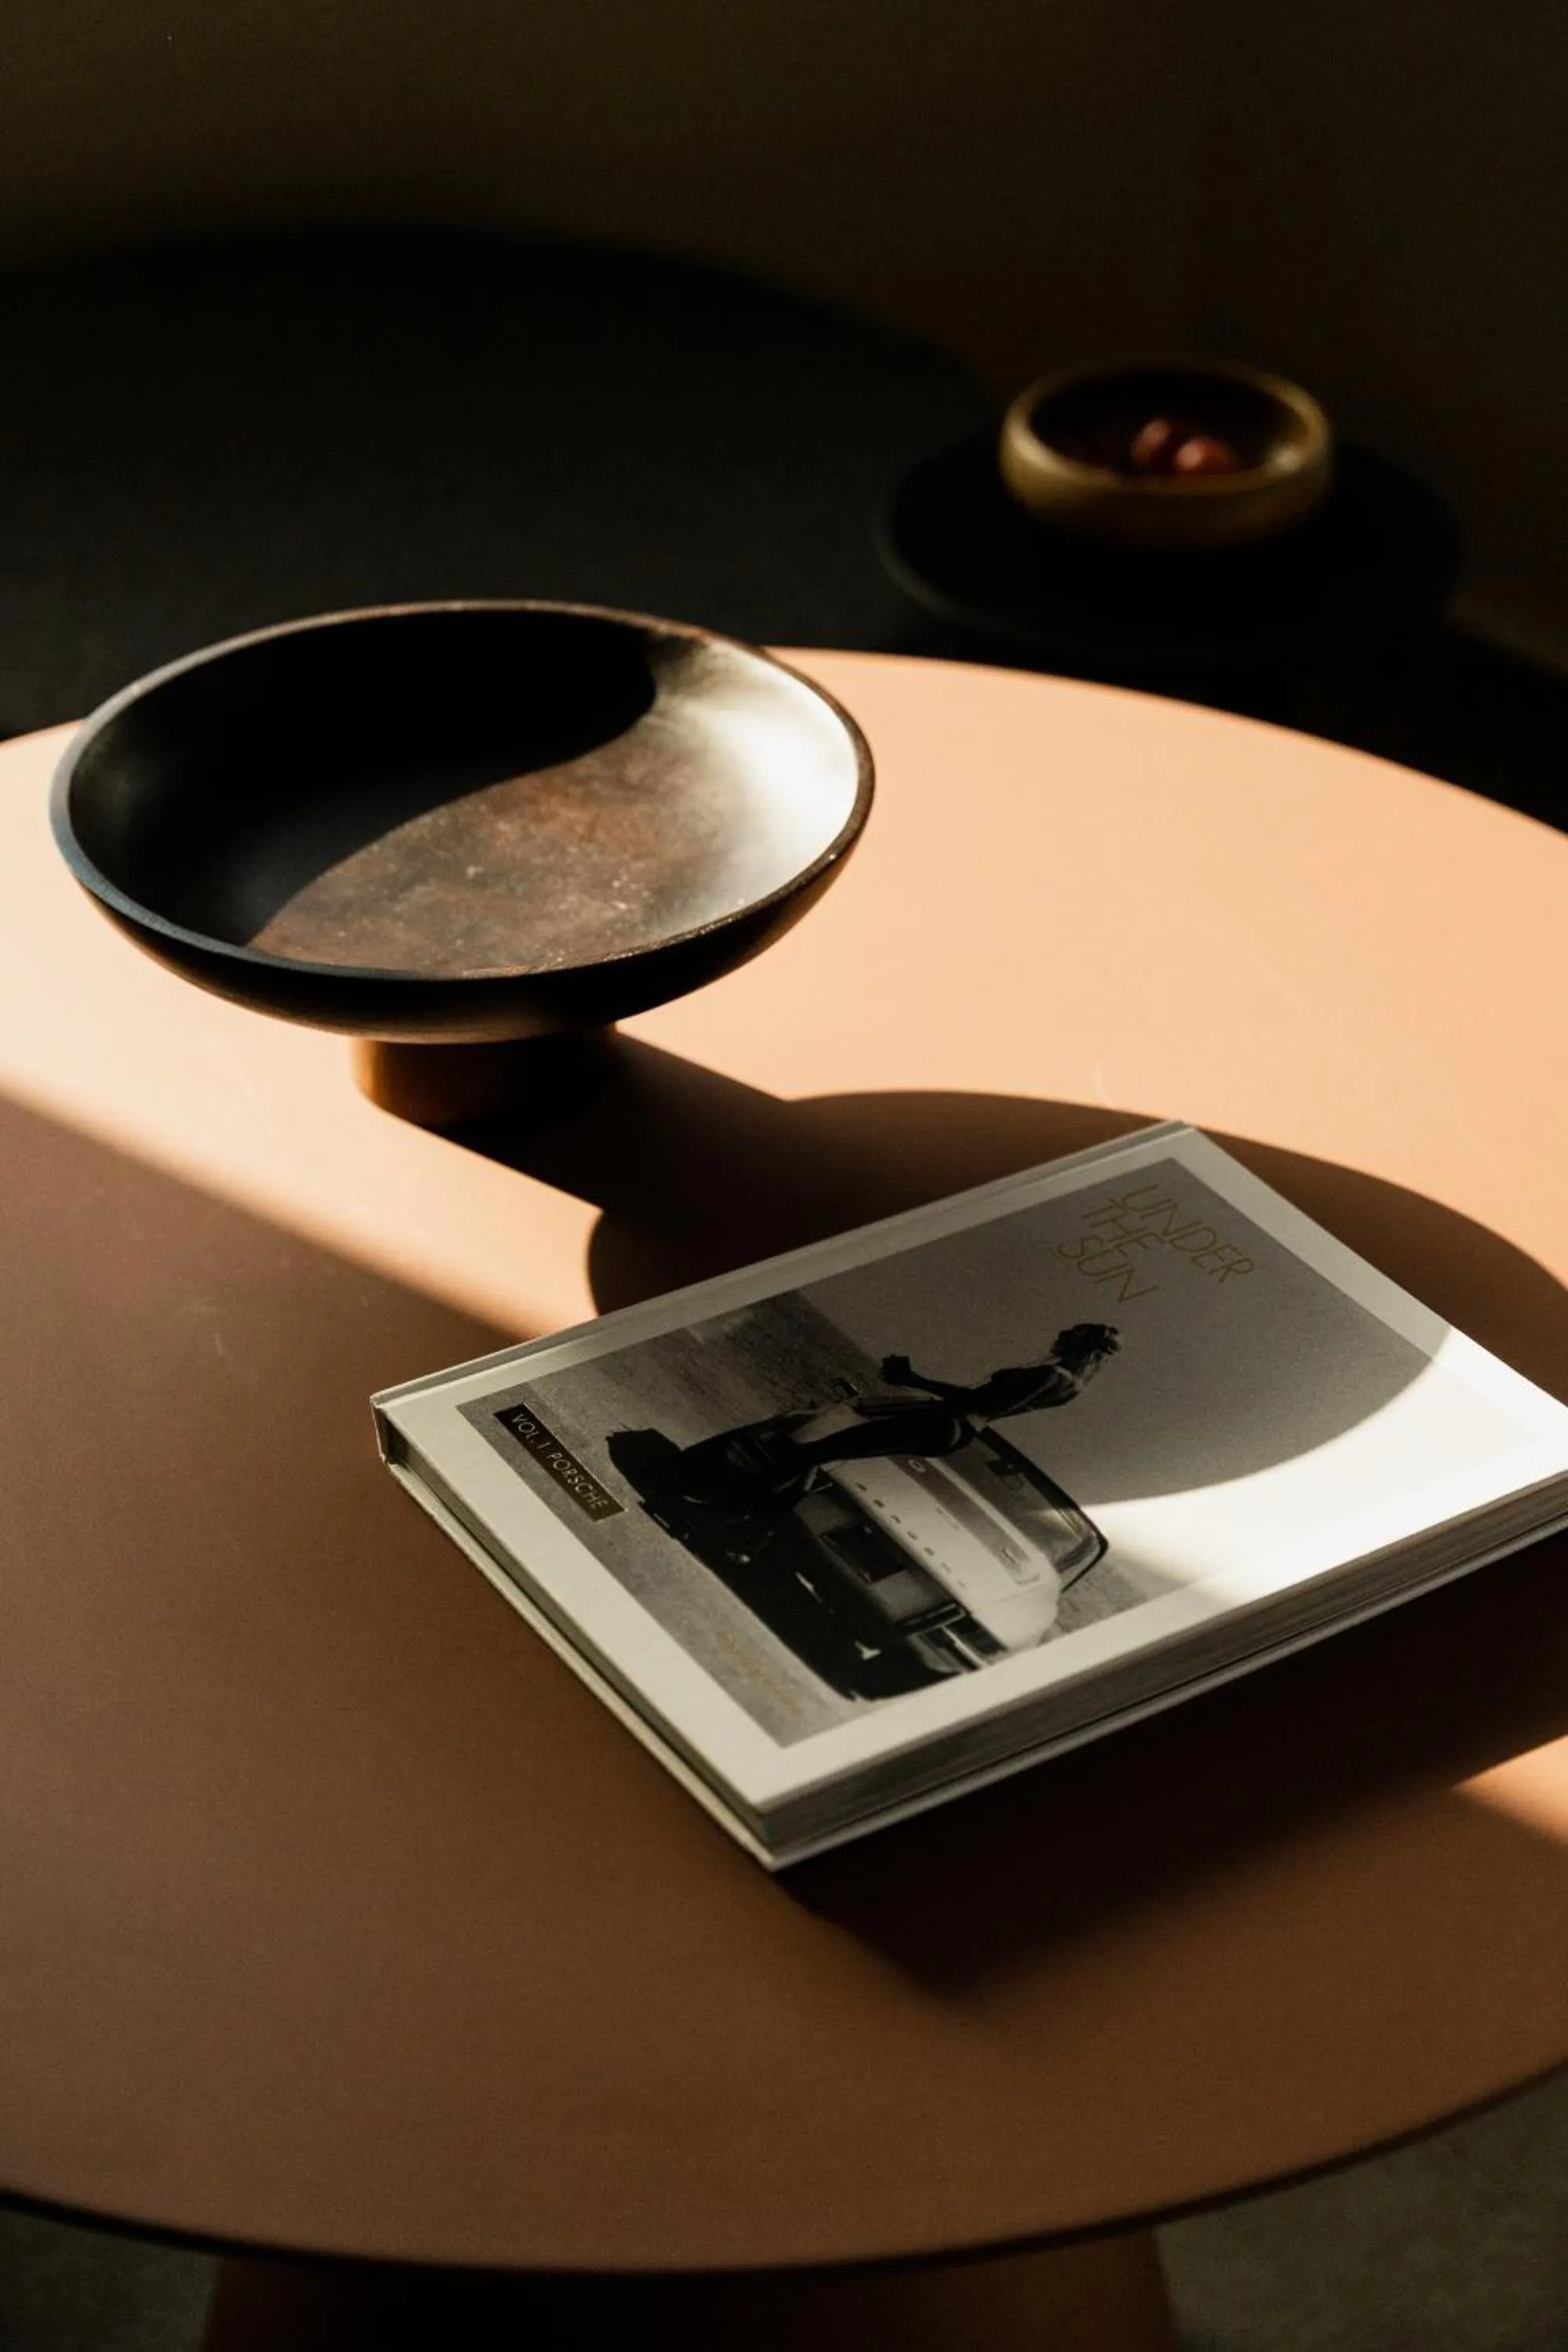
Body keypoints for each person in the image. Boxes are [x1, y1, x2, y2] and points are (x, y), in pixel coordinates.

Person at [783, 1322, 1122, 1468]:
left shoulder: (1050, 1375)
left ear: (1081, 1344)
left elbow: (979, 1402)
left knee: (814, 1451)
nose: (1062, 1334)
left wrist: (913, 1379)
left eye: (1071, 1333)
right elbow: (990, 1409)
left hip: (944, 1422)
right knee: (823, 1454)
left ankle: (757, 1518)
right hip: (955, 1433)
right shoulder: (1072, 1388)